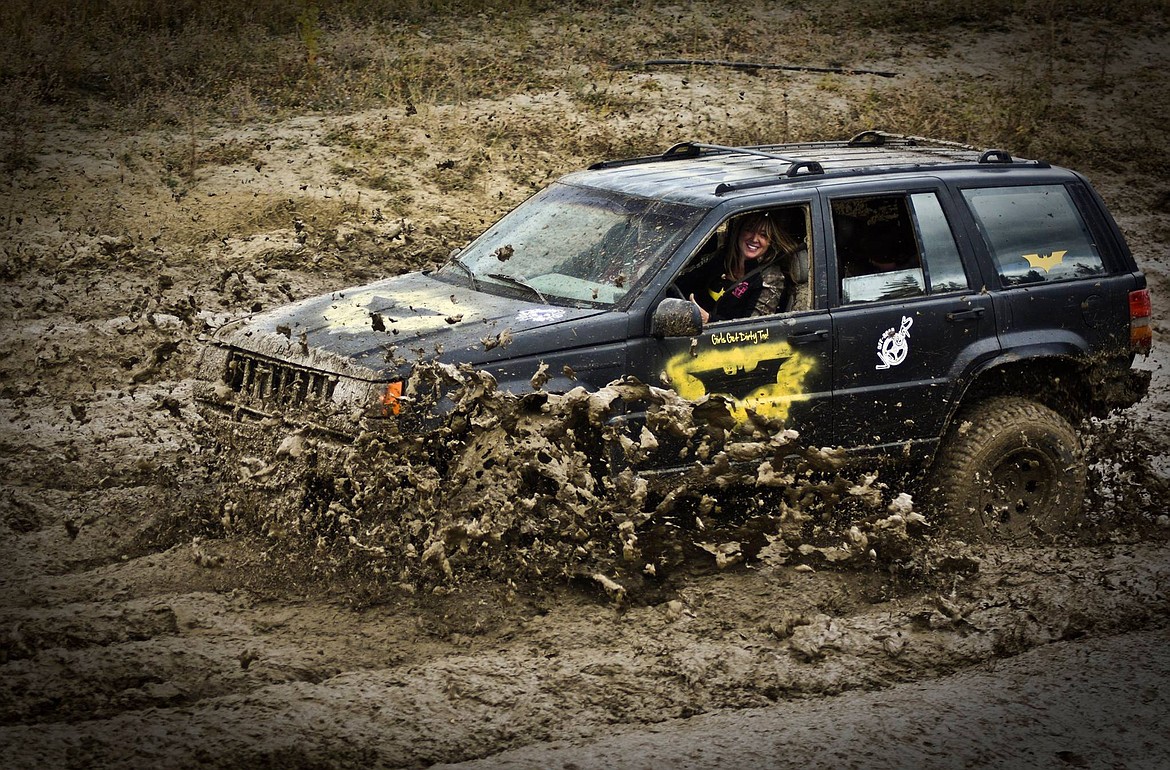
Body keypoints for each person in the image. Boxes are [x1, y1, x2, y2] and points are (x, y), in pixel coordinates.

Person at [681, 211, 801, 324]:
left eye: (763, 235)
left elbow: (754, 328)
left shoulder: (770, 277)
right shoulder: (722, 259)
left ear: (770, 242)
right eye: (749, 230)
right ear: (739, 231)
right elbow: (683, 282)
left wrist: (709, 319)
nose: (754, 239)